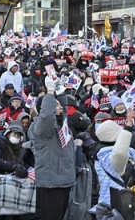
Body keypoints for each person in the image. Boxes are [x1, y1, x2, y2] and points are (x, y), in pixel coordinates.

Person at [28, 76, 76, 220]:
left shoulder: (61, 124)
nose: (60, 107)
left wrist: (60, 92)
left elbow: (63, 110)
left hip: (64, 180)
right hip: (51, 183)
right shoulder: (42, 128)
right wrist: (49, 91)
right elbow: (47, 117)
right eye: (55, 105)